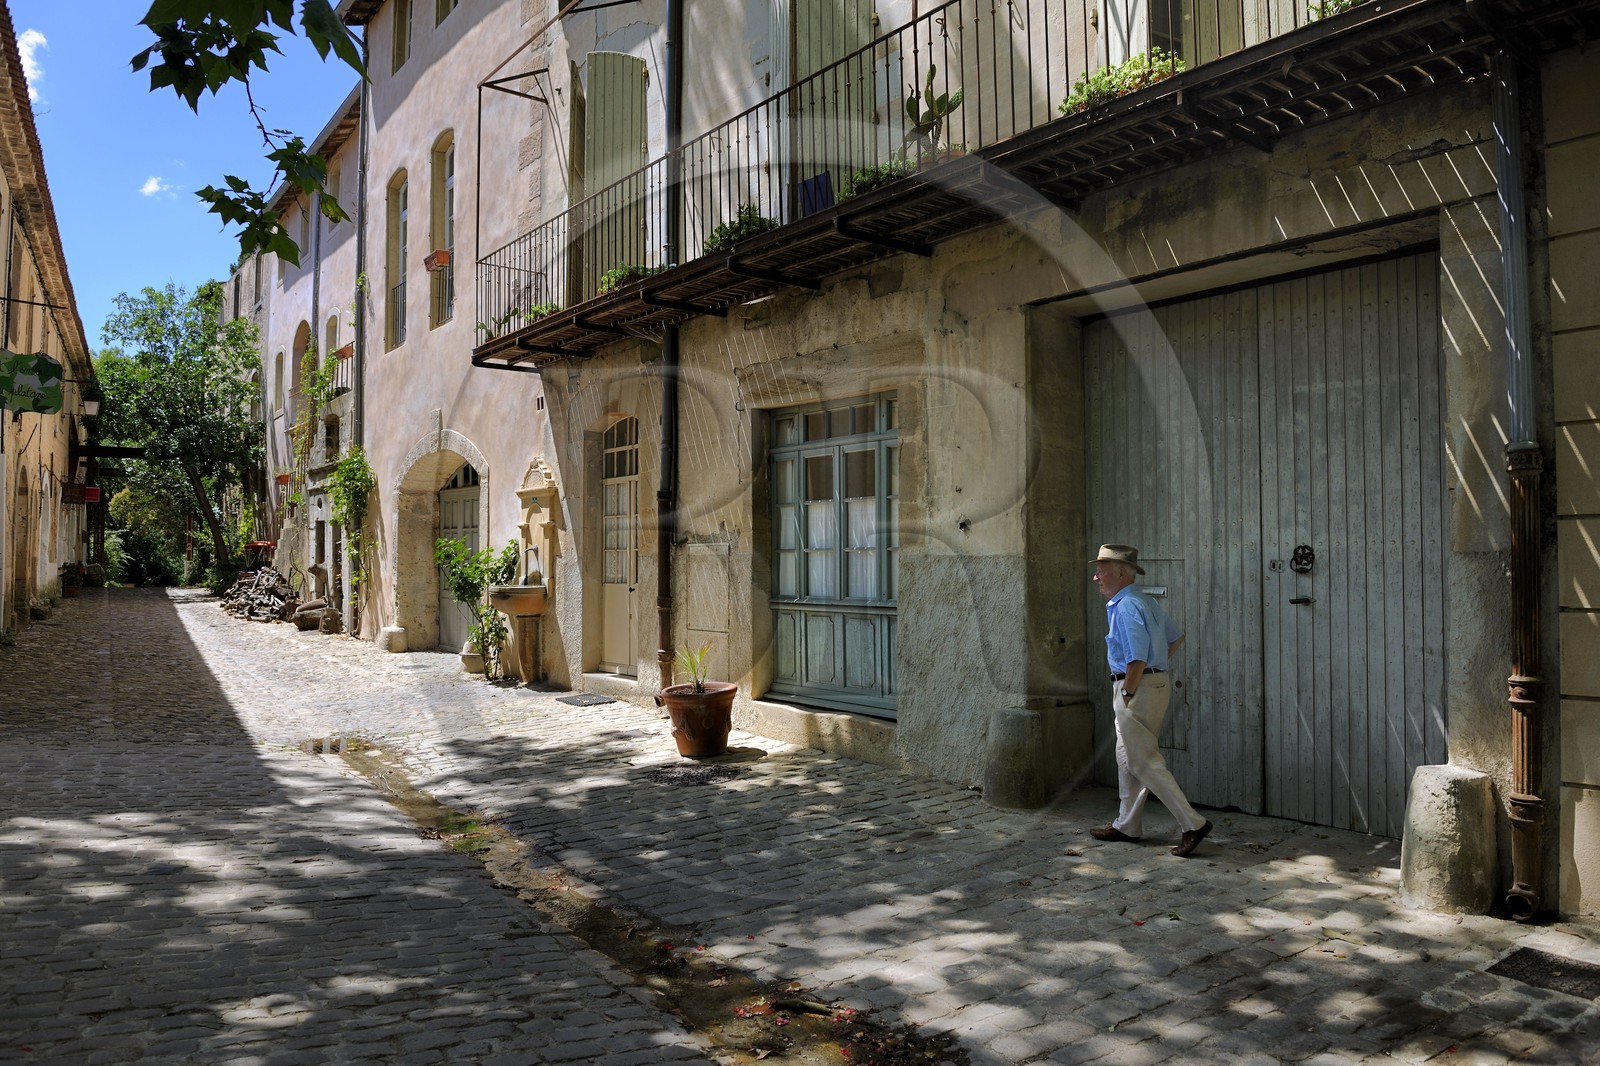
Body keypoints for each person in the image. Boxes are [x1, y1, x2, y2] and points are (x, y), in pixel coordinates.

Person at [1088, 544, 1212, 857]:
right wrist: (1156, 668)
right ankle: (1127, 825)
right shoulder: (1144, 601)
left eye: (1101, 571)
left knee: (1142, 760)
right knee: (1127, 757)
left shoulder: (1127, 605)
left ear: (1120, 573)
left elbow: (1135, 657)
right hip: (1153, 684)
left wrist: (1129, 690)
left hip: (1136, 688)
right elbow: (1176, 637)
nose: (1095, 577)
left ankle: (1193, 823)